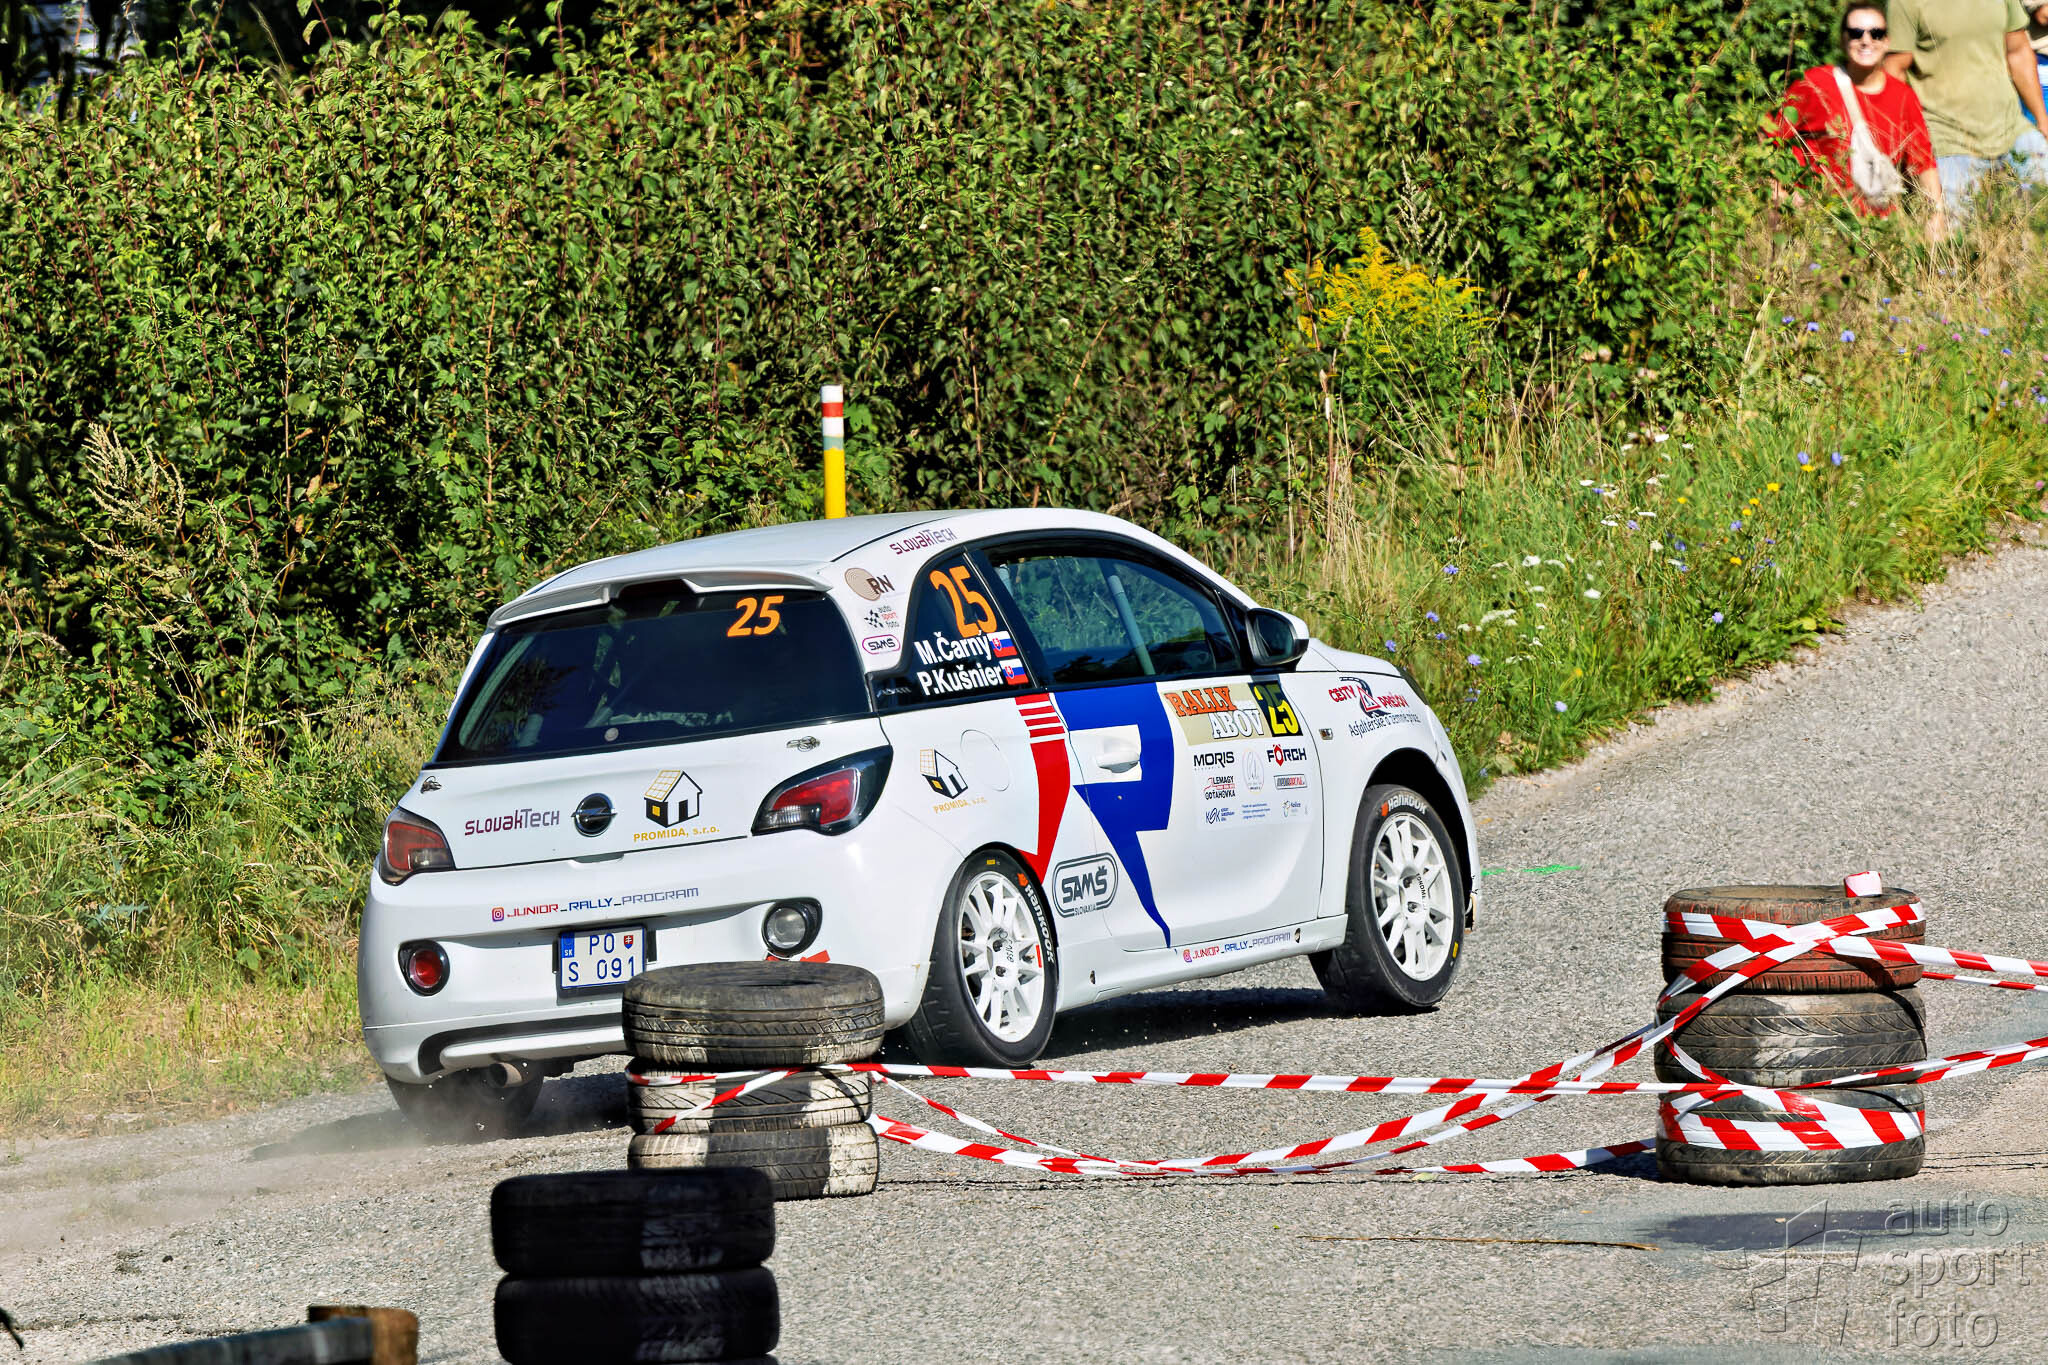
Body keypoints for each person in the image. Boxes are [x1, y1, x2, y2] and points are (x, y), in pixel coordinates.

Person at [1769, 5, 1944, 230]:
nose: (1866, 40)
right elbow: (1767, 136)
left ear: (1887, 42)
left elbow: (1923, 164)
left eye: (1876, 33)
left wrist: (1935, 217)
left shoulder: (1903, 96)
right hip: (1819, 225)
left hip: (1880, 231)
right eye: (1856, 33)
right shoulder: (1815, 83)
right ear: (1843, 40)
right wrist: (1781, 198)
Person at [1885, 0, 2048, 205]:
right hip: (1948, 139)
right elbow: (1894, 70)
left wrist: (2042, 121)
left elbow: (2018, 52)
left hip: (2013, 128)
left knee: (2041, 214)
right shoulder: (1904, 3)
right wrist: (1904, 144)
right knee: (1954, 225)